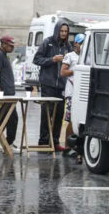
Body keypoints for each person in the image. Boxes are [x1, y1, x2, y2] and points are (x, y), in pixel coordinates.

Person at [33, 20, 72, 151]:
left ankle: (55, 142)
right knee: (46, 113)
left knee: (59, 114)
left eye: (66, 31)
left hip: (61, 85)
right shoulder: (47, 42)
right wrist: (52, 60)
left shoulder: (68, 46)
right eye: (61, 31)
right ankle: (43, 142)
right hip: (48, 84)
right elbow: (36, 59)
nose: (63, 33)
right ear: (57, 31)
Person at [0, 35, 20, 154]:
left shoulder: (4, 55)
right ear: (3, 44)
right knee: (10, 119)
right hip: (5, 93)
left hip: (8, 93)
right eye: (10, 46)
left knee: (4, 118)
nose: (12, 48)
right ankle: (7, 142)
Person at [60, 33, 85, 164]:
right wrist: (76, 71)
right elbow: (63, 72)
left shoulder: (87, 57)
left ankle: (78, 146)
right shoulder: (70, 56)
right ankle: (67, 146)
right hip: (71, 93)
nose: (82, 46)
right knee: (70, 119)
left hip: (83, 93)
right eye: (80, 43)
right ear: (75, 43)